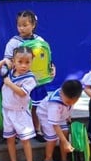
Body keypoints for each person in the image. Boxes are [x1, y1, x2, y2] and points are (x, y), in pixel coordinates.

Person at [3, 10, 55, 142]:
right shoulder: (13, 42)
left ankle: (36, 129)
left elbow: (46, 58)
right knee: (18, 107)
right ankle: (14, 133)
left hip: (37, 81)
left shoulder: (40, 41)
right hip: (19, 82)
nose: (22, 28)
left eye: (25, 25)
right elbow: (7, 61)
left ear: (33, 25)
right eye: (19, 25)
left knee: (37, 106)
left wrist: (52, 68)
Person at [0, 46, 38, 161]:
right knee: (10, 139)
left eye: (27, 62)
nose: (23, 65)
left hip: (21, 113)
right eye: (20, 62)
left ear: (31, 62)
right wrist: (3, 61)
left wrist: (8, 83)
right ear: (14, 61)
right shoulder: (9, 71)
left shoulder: (30, 78)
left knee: (25, 139)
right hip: (7, 111)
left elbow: (22, 93)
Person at [36, 79, 83, 161]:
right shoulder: (55, 104)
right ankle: (48, 160)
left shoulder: (69, 96)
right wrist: (65, 142)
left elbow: (69, 106)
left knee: (65, 132)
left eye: (73, 102)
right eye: (68, 102)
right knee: (52, 137)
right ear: (61, 93)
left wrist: (68, 114)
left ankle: (64, 160)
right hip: (46, 115)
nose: (71, 103)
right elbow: (55, 125)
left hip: (60, 115)